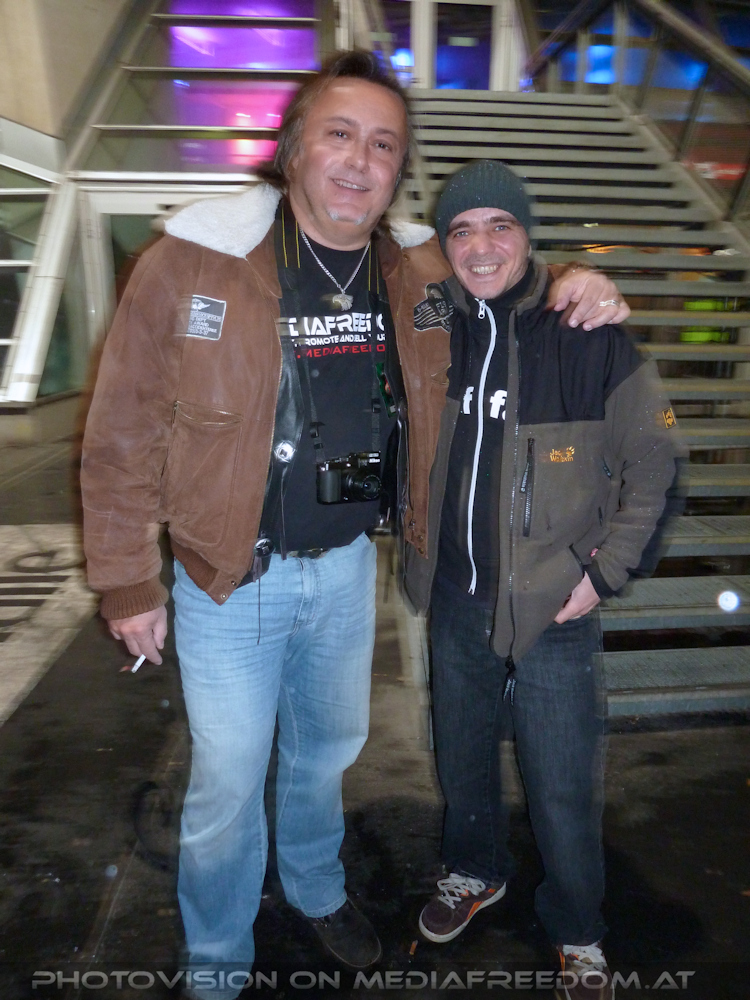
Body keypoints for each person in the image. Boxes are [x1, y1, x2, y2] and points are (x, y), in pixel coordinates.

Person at [80, 52, 628, 999]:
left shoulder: (414, 268)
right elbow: (122, 429)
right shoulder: (193, 262)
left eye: (383, 145)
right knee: (226, 782)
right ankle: (217, 959)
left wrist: (581, 278)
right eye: (339, 134)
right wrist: (128, 579)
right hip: (229, 575)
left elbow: (507, 278)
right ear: (293, 148)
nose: (360, 160)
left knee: (325, 753)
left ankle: (316, 887)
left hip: (343, 570)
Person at [403, 160, 681, 1000]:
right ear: (444, 244)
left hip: (556, 604)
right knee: (461, 755)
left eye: (501, 225)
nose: (481, 246)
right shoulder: (431, 322)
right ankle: (474, 870)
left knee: (562, 779)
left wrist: (604, 573)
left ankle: (578, 931)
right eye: (461, 230)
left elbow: (656, 460)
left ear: (528, 236)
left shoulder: (585, 330)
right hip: (456, 596)